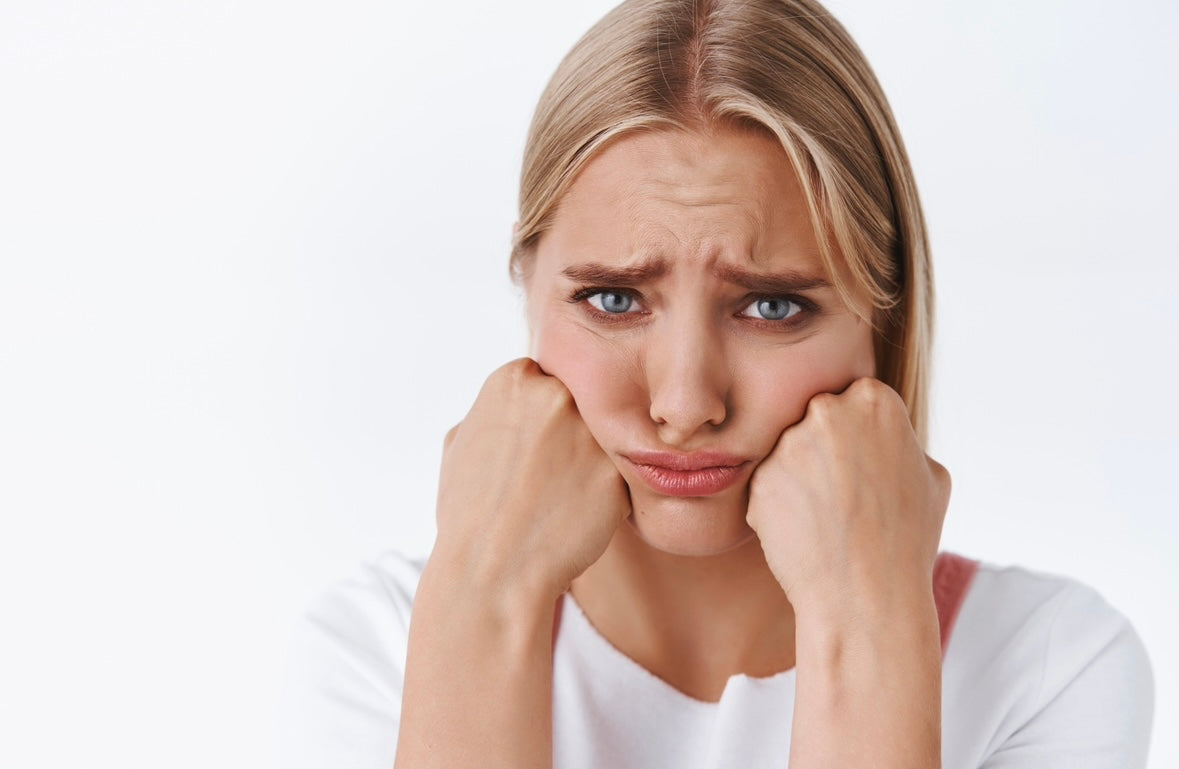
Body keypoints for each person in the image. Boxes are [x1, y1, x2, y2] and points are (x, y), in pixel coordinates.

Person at [281, 0, 1154, 767]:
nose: (684, 402)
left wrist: (867, 624)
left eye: (771, 305)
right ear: (527, 284)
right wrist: (483, 603)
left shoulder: (1047, 666)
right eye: (614, 298)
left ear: (881, 319)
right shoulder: (379, 647)